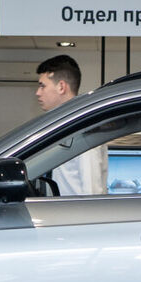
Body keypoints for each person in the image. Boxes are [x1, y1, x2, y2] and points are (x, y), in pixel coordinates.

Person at [35, 55, 105, 196]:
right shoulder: (63, 127)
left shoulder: (84, 128)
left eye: (42, 86)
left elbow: (92, 191)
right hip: (60, 208)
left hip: (77, 210)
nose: (38, 93)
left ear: (61, 87)